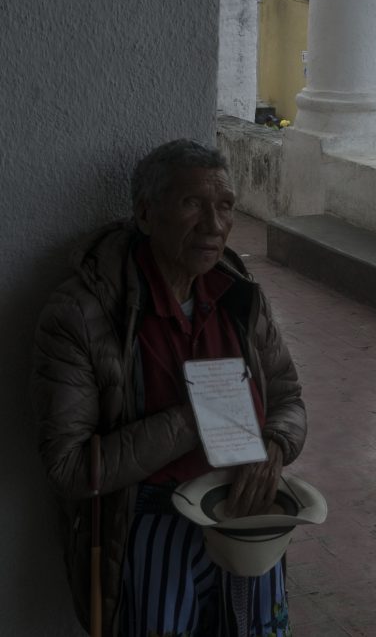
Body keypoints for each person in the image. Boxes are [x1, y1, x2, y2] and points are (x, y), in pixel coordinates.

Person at [34, 140, 307, 635]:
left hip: (244, 519)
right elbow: (69, 467)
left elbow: (288, 398)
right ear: (145, 213)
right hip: (150, 528)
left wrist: (275, 442)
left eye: (224, 206)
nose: (214, 224)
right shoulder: (85, 314)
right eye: (191, 204)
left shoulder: (240, 298)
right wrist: (198, 416)